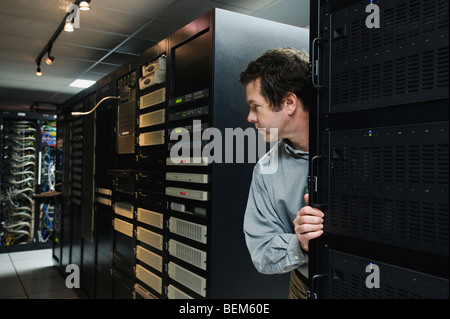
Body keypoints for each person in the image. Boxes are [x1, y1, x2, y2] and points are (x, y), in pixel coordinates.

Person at [240, 48, 325, 299]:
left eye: (256, 107)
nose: (250, 117)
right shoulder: (266, 170)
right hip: (303, 286)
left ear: (289, 102)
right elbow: (261, 250)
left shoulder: (358, 147)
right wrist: (300, 243)